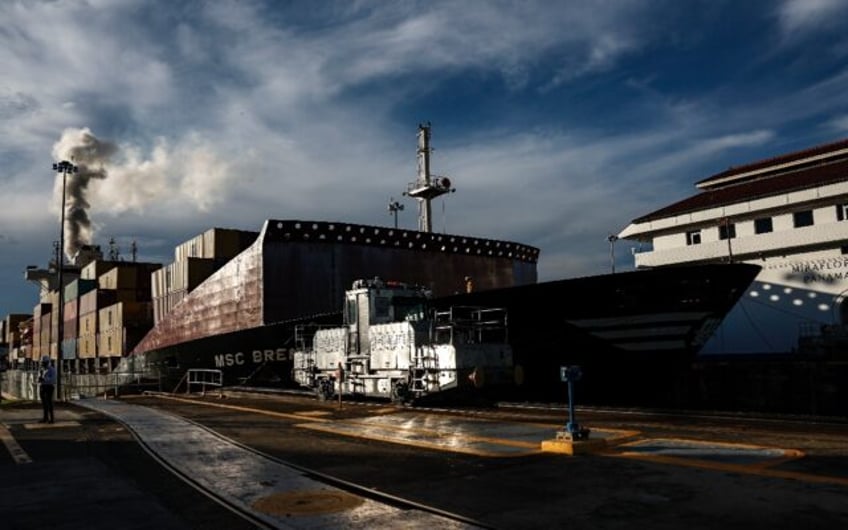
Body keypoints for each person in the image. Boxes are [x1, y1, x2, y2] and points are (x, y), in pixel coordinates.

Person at [38, 356, 56, 424]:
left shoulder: (52, 369)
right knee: (44, 403)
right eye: (43, 363)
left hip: (49, 387)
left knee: (49, 403)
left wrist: (45, 379)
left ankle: (52, 418)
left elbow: (53, 379)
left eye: (45, 363)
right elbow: (39, 376)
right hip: (43, 386)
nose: (43, 364)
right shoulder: (42, 369)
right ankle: (45, 418)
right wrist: (40, 379)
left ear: (48, 362)